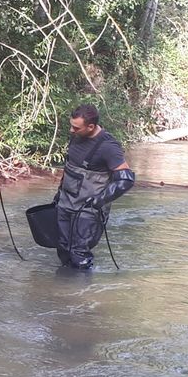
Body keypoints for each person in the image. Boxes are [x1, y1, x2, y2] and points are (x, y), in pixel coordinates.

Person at [54, 104, 134, 269]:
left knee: (79, 253)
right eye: (71, 126)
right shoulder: (76, 136)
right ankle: (62, 291)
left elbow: (126, 180)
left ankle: (82, 292)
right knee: (62, 248)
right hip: (65, 202)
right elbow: (70, 168)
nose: (71, 130)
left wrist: (98, 201)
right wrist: (58, 194)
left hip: (88, 210)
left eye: (76, 127)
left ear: (91, 127)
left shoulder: (109, 147)